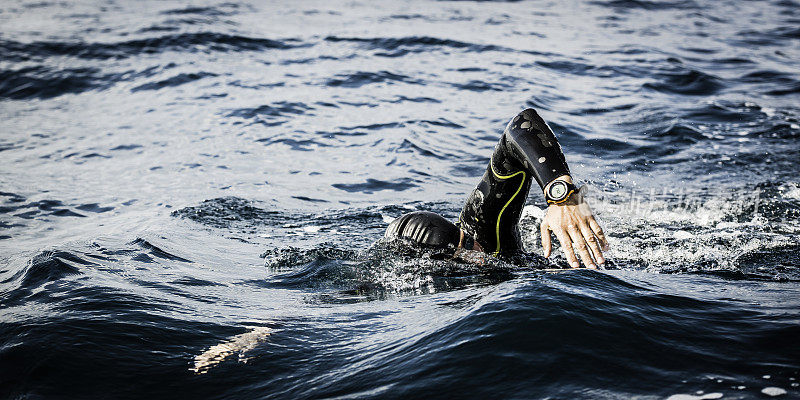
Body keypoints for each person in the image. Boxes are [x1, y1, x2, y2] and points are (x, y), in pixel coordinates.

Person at [384, 108, 609, 269]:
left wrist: (561, 196)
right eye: (462, 256)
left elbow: (521, 124)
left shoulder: (480, 225)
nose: (479, 254)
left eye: (469, 241)